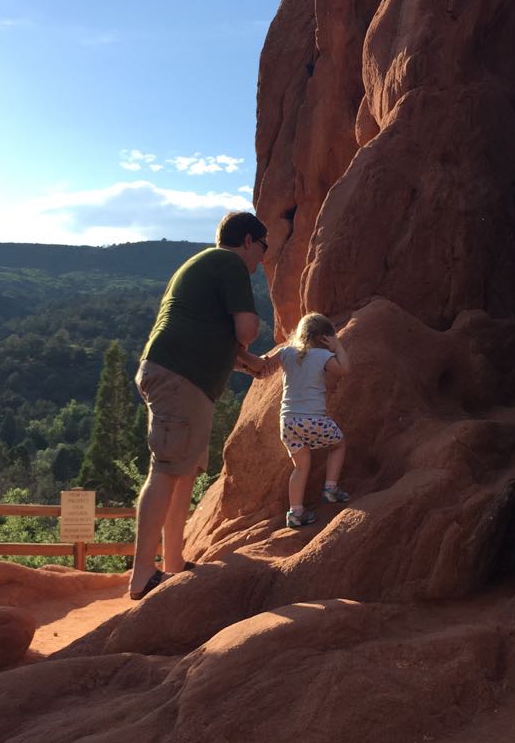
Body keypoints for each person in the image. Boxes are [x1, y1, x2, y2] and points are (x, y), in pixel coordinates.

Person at [128, 211, 268, 599]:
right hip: (180, 378)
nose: (263, 258)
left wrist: (250, 364)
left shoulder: (204, 264)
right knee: (166, 470)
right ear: (247, 241)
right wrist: (250, 341)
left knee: (183, 471)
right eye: (263, 247)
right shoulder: (229, 263)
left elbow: (216, 338)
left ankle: (173, 563)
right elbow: (246, 330)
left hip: (178, 377)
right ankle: (142, 575)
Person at [272, 312, 350, 529]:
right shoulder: (322, 355)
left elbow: (263, 366)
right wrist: (338, 347)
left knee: (300, 466)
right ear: (324, 338)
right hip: (312, 419)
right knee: (338, 445)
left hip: (288, 422)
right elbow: (344, 370)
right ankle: (331, 489)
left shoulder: (286, 353)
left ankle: (295, 513)